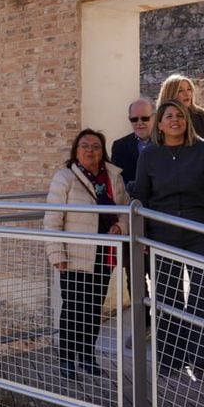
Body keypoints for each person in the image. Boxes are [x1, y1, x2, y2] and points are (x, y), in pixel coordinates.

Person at [134, 101, 204, 380]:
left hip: (201, 230)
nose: (174, 120)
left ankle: (198, 359)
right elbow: (142, 197)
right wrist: (144, 237)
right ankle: (171, 360)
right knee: (167, 297)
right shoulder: (149, 156)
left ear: (187, 121)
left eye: (179, 116)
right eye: (168, 116)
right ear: (159, 125)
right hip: (163, 233)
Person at [45, 129, 129, 380]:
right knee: (73, 308)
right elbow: (52, 219)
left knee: (94, 309)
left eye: (95, 146)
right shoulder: (65, 178)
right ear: (76, 150)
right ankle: (67, 359)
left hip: (104, 254)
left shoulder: (113, 177)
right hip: (75, 254)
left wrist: (121, 227)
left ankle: (87, 356)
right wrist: (56, 253)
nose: (90, 150)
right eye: (84, 145)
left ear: (103, 151)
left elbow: (125, 210)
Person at [110, 98, 154, 194]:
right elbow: (117, 181)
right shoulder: (119, 147)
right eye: (134, 119)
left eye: (144, 118)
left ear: (154, 117)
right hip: (131, 204)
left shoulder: (166, 142)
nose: (139, 123)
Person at [157, 73, 204, 142]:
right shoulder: (159, 119)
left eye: (189, 89)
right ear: (170, 94)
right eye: (180, 90)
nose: (187, 94)